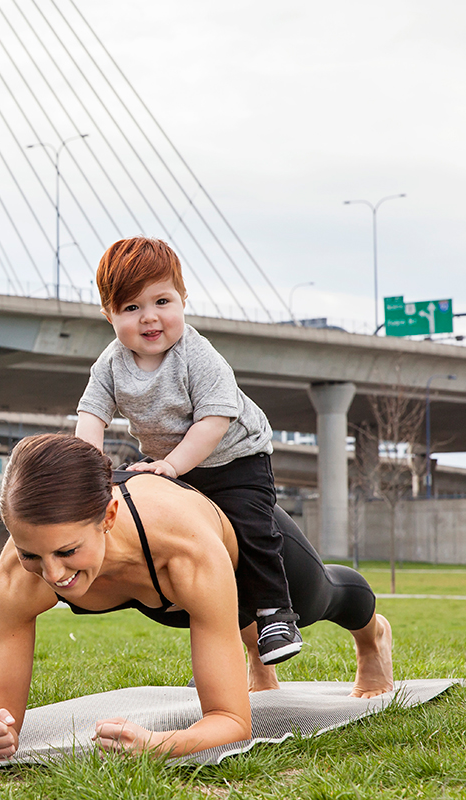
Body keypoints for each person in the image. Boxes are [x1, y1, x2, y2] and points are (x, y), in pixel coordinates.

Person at [0, 434, 393, 762]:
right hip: (165, 593)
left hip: (243, 555)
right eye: (31, 553)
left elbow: (231, 721)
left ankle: (373, 637)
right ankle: (256, 667)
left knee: (323, 599)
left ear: (109, 517)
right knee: (213, 615)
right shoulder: (17, 574)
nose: (52, 574)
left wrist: (160, 743)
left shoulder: (184, 549)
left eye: (66, 552)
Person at [76, 237, 302, 666]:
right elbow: (91, 418)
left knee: (253, 529)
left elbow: (213, 422)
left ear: (183, 299)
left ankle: (276, 613)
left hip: (234, 458)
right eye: (131, 308)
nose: (150, 317)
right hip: (168, 465)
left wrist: (174, 466)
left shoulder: (198, 355)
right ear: (108, 315)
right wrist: (90, 477)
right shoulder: (109, 364)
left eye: (162, 300)